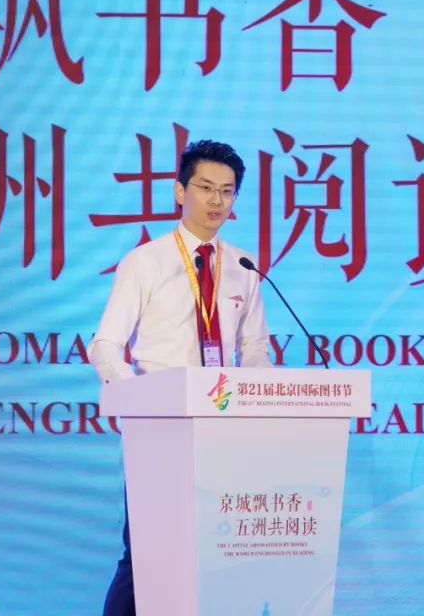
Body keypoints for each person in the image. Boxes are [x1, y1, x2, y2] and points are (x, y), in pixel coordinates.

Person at [88, 139, 272, 616]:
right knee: (145, 559)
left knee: (217, 558)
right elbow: (105, 344)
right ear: (179, 191)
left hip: (223, 432)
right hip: (160, 433)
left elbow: (255, 348)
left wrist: (258, 398)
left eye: (227, 191)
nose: (216, 201)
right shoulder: (145, 262)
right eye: (205, 188)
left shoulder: (243, 266)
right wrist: (139, 401)